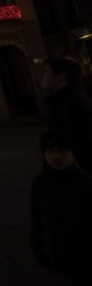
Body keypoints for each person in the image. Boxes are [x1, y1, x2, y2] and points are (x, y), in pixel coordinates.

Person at [30, 132, 92, 284]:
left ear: (74, 154)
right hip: (56, 256)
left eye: (62, 151)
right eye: (50, 152)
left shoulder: (85, 184)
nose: (56, 157)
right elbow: (36, 221)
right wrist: (39, 251)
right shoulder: (40, 184)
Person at [40, 58, 92, 171]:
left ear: (60, 77)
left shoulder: (72, 105)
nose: (42, 76)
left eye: (46, 72)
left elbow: (81, 147)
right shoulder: (63, 102)